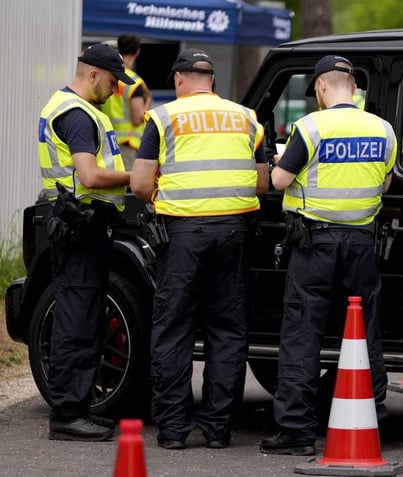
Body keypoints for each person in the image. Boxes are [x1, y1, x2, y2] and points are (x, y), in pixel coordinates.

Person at [130, 48, 269, 450]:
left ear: (178, 79)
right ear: (211, 80)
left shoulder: (164, 117)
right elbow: (261, 182)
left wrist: (166, 195)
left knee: (174, 328)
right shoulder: (245, 118)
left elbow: (140, 185)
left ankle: (173, 431)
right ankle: (217, 430)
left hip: (183, 235)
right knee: (227, 331)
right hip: (234, 232)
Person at [259, 55, 397, 456]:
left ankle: (296, 431)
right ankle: (372, 420)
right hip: (362, 244)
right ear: (352, 87)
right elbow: (385, 184)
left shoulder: (312, 126)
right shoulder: (383, 129)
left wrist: (275, 161)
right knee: (364, 334)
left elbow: (280, 180)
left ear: (321, 87)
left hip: (315, 243)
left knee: (303, 334)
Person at [37, 43, 134, 441]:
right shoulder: (76, 114)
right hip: (81, 226)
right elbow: (91, 176)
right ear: (92, 74)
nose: (116, 90)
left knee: (85, 315)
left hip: (82, 224)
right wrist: (140, 176)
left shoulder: (76, 108)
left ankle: (76, 408)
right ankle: (67, 415)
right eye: (113, 82)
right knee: (76, 320)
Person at [101, 33, 152, 169]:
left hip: (107, 141)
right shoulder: (135, 83)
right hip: (126, 144)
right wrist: (148, 102)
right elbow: (137, 118)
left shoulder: (109, 76)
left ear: (119, 49)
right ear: (138, 51)